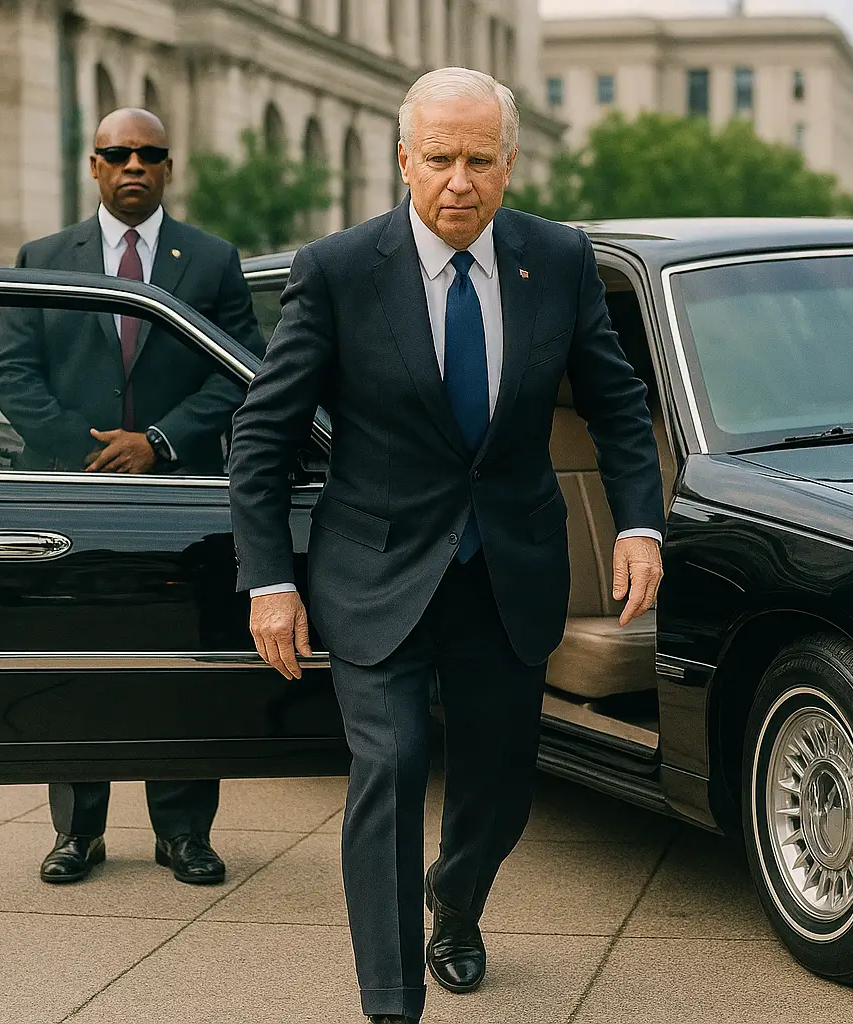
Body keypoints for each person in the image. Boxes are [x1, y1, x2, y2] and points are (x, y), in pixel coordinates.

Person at [227, 68, 666, 1023]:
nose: (458, 181)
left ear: (510, 165)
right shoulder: (339, 271)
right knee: (388, 767)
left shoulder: (556, 260)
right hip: (375, 570)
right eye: (439, 159)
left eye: (479, 159)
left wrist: (639, 523)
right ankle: (391, 1002)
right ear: (403, 161)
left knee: (503, 782)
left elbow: (620, 403)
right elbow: (261, 438)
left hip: (509, 571)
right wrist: (269, 581)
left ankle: (456, 902)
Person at [0, 107, 263, 886]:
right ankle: (79, 833)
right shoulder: (44, 257)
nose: (133, 165)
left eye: (149, 154)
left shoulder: (210, 261)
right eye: (118, 154)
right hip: (75, 498)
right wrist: (89, 451)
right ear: (95, 166)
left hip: (184, 497)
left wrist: (161, 442)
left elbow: (242, 366)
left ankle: (182, 834)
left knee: (184, 662)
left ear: (169, 166)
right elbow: (10, 373)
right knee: (80, 659)